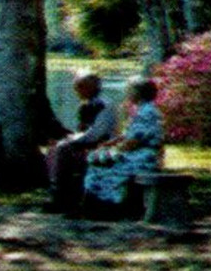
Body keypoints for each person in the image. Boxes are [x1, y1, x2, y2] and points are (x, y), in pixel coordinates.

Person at [83, 78, 165, 218]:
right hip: (138, 153)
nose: (127, 94)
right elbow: (127, 135)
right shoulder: (143, 110)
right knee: (97, 159)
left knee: (101, 164)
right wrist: (107, 144)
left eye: (129, 91)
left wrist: (114, 150)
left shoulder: (147, 113)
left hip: (144, 156)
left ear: (138, 93)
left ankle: (107, 206)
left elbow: (133, 142)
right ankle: (98, 204)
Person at [46, 72, 117, 212]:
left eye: (80, 87)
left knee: (62, 149)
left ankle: (60, 196)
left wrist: (72, 140)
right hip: (88, 143)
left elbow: (97, 133)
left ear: (91, 88)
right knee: (55, 147)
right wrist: (71, 138)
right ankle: (59, 193)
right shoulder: (87, 105)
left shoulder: (103, 105)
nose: (76, 91)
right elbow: (83, 131)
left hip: (102, 145)